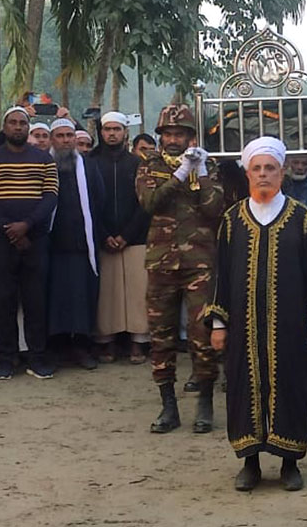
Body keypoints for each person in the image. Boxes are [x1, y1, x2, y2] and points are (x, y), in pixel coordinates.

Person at [205, 136, 307, 492]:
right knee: (244, 388)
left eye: (270, 168)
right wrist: (218, 323)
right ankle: (251, 462)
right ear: (247, 173)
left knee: (292, 387)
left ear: (282, 172)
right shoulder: (232, 220)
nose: (263, 174)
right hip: (242, 328)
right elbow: (221, 274)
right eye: (257, 168)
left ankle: (290, 463)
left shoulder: (303, 218)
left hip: (292, 326)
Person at [136, 105, 224, 434]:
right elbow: (149, 202)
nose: (174, 140)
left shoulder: (207, 165)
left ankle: (204, 402)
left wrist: (198, 171)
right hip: (161, 262)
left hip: (199, 262)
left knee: (202, 335)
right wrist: (177, 175)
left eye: (180, 134)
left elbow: (215, 209)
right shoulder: (149, 165)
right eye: (168, 134)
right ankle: (168, 405)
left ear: (191, 137)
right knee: (161, 336)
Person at [0, 107, 59, 380]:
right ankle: (6, 360)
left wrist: (27, 226)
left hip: (35, 240)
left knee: (36, 302)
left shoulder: (44, 159)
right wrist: (10, 230)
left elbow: (50, 197)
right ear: (5, 127)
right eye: (12, 123)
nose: (18, 127)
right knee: (3, 302)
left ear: (28, 127)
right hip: (0, 242)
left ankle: (37, 358)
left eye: (23, 123)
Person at [90, 111, 151, 362]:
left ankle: (138, 342)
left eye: (117, 129)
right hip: (103, 238)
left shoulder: (137, 163)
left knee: (138, 291)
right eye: (107, 129)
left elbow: (145, 204)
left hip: (134, 238)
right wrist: (105, 235)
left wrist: (126, 235)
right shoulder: (90, 162)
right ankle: (107, 342)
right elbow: (88, 204)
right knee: (108, 293)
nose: (112, 133)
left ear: (125, 132)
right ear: (101, 132)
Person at [46, 118, 104, 371]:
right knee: (54, 300)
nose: (66, 140)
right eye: (60, 136)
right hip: (52, 247)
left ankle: (82, 347)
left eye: (70, 135)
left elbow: (99, 203)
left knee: (82, 300)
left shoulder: (89, 168)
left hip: (82, 246)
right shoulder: (43, 166)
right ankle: (57, 348)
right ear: (51, 139)